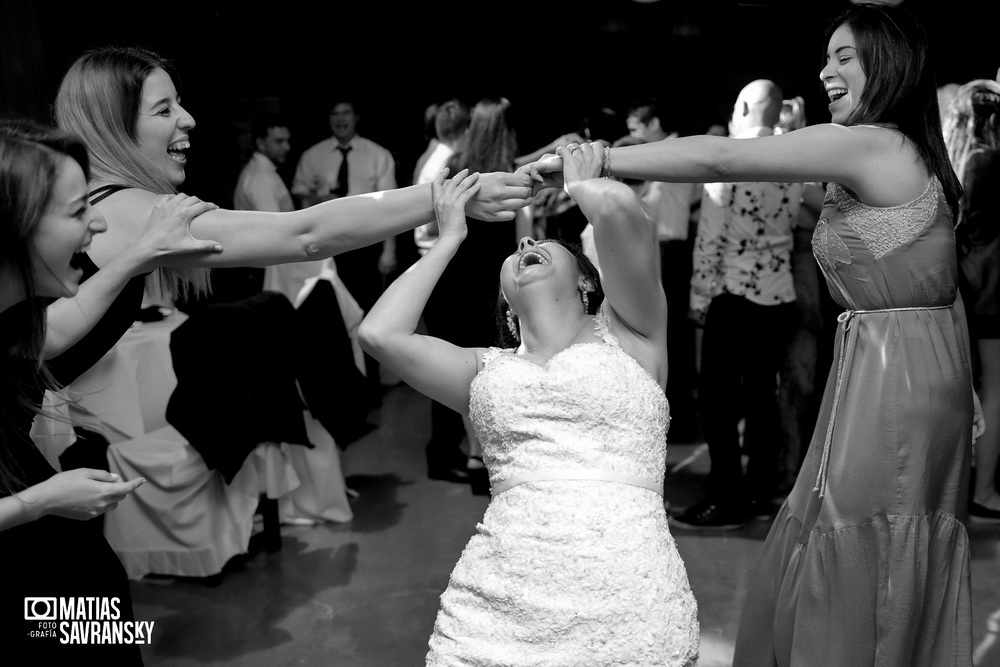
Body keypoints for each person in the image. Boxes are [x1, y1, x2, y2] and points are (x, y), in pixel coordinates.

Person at [525, 4, 976, 664]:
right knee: (868, 525)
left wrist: (603, 159)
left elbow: (722, 154)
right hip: (906, 364)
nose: (825, 73)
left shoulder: (872, 144)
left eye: (843, 57)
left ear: (891, 65)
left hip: (895, 376)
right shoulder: (901, 157)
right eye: (826, 58)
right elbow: (935, 276)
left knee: (861, 527)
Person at [359, 142, 699, 665]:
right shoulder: (483, 369)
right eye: (514, 251)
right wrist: (449, 237)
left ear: (587, 280)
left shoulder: (633, 332)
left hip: (628, 599)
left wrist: (581, 181)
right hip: (493, 607)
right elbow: (380, 334)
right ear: (505, 306)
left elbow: (622, 213)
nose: (527, 246)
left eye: (544, 243)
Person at [50, 45, 530, 390]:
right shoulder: (125, 209)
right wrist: (448, 196)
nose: (189, 118)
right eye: (163, 109)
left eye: (179, 102)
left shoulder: (106, 202)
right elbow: (307, 233)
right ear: (115, 128)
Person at [0, 120, 220, 662]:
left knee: (110, 633)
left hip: (53, 556)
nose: (98, 223)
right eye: (78, 211)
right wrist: (40, 501)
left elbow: (59, 328)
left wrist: (141, 252)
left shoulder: (11, 318)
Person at [672, 79, 803, 530]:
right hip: (779, 294)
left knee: (719, 403)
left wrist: (698, 299)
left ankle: (727, 498)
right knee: (762, 396)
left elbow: (709, 239)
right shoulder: (794, 156)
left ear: (744, 105)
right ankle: (762, 491)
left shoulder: (727, 159)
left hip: (732, 296)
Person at [422, 97, 532, 493]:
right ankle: (481, 458)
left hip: (453, 280)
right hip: (489, 286)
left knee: (459, 370)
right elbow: (525, 237)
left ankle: (471, 455)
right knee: (492, 370)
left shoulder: (460, 168)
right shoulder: (511, 178)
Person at [626, 98, 703, 441]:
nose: (631, 138)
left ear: (652, 123)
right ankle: (674, 414)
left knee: (668, 332)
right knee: (662, 331)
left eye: (634, 129)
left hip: (670, 247)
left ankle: (679, 417)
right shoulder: (661, 152)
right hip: (660, 244)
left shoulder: (672, 151)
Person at [943, 78, 1000, 520]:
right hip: (989, 288)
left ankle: (965, 485)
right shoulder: (987, 161)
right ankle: (982, 491)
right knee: (994, 391)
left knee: (971, 389)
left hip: (966, 286)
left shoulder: (958, 160)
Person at [413, 99, 471, 256]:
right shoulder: (447, 164)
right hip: (435, 252)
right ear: (468, 131)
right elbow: (432, 224)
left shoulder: (434, 156)